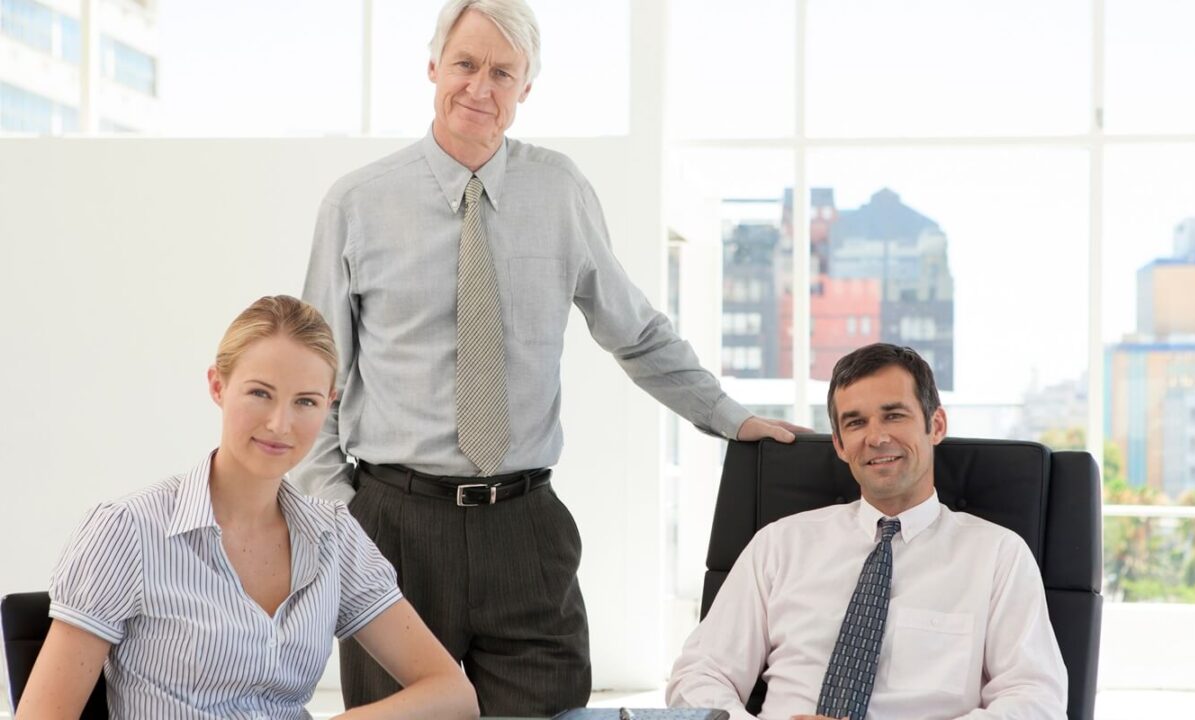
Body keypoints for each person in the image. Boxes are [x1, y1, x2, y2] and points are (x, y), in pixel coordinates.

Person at [296, 0, 807, 714]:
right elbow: (311, 375)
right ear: (433, 67)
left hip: (525, 525)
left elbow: (635, 330)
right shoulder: (357, 203)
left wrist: (730, 417)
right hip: (395, 526)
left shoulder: (559, 190)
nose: (482, 86)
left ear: (526, 87)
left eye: (504, 72)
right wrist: (338, 512)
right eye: (467, 64)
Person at [16, 296, 478, 720]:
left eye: (306, 402)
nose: (281, 423)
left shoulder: (333, 535)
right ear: (218, 385)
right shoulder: (127, 531)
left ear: (329, 406)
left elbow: (453, 694)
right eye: (260, 393)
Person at [666, 343, 1068, 720]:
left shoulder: (998, 555)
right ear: (840, 444)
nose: (876, 437)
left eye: (894, 415)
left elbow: (1036, 700)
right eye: (856, 423)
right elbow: (697, 677)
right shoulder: (780, 544)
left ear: (936, 425)